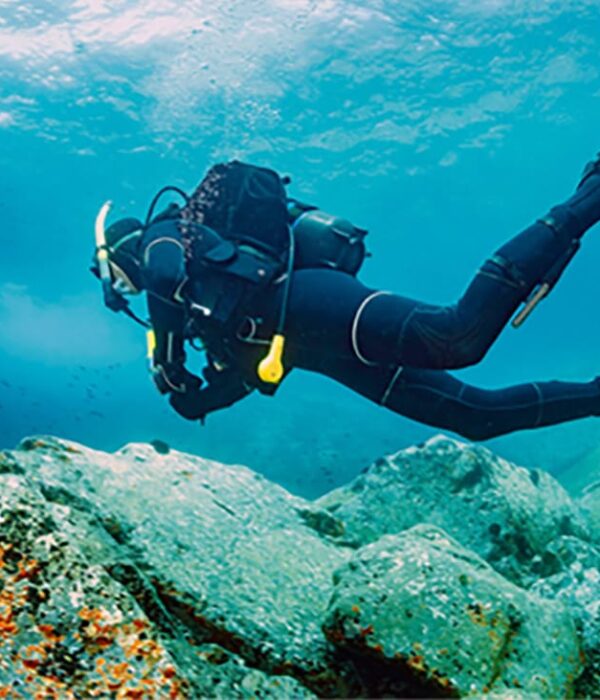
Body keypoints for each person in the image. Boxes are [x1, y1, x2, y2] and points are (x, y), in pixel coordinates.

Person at [92, 155, 600, 442]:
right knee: (472, 417)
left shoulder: (163, 233)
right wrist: (199, 400)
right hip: (315, 346)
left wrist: (168, 359)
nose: (116, 288)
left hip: (308, 299)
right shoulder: (193, 305)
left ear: (119, 251)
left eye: (107, 273)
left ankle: (588, 199)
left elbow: (161, 273)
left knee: (455, 336)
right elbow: (252, 370)